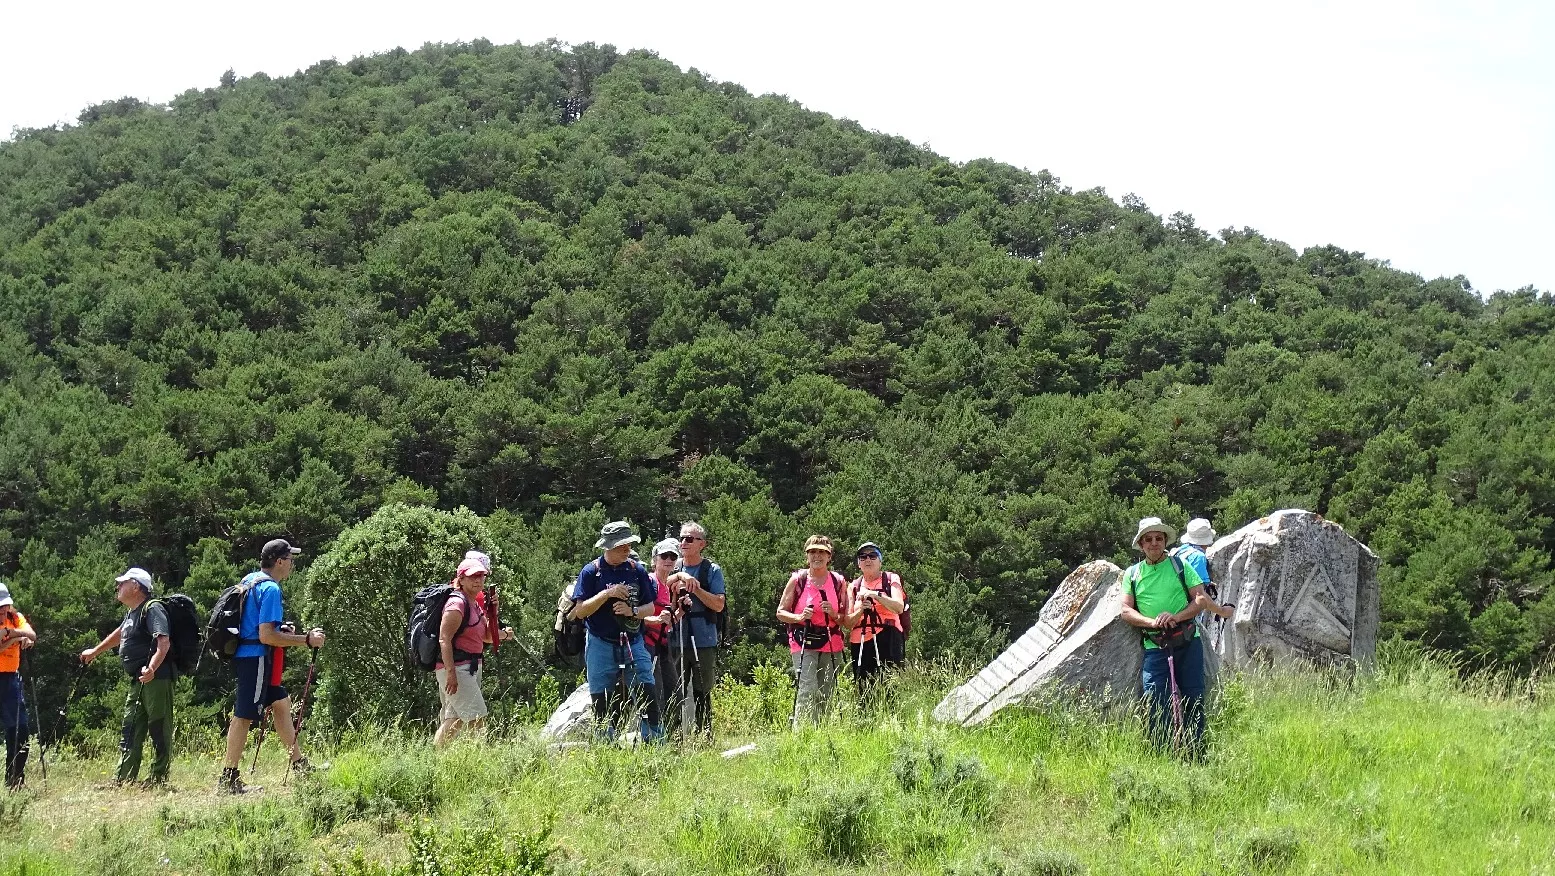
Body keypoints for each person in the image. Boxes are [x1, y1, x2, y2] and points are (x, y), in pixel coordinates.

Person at [218, 539, 326, 794]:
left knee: (281, 702)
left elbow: (257, 625)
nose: (292, 565)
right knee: (244, 716)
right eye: (290, 560)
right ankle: (228, 779)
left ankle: (300, 765)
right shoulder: (271, 590)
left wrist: (282, 630)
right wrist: (306, 640)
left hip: (249, 656)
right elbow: (266, 636)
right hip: (255, 659)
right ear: (279, 561)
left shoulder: (250, 580)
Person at [1118, 517, 1233, 757]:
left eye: (1158, 538)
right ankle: (1161, 754)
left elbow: (1199, 599)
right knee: (1155, 699)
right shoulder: (1132, 574)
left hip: (1187, 642)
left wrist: (1176, 617)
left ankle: (1196, 753)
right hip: (1155, 644)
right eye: (1148, 539)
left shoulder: (1180, 566)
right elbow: (1126, 610)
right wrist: (1153, 622)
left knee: (1193, 696)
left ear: (1165, 541)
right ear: (1141, 544)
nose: (1154, 543)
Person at [568, 521, 663, 744]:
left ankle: (655, 744)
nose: (627, 549)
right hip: (600, 643)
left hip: (633, 641)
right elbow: (580, 611)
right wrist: (607, 594)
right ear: (608, 547)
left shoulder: (635, 570)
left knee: (646, 693)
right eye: (622, 545)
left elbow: (650, 608)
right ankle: (606, 748)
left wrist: (632, 611)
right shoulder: (591, 572)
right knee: (601, 699)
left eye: (628, 545)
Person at [80, 567, 175, 786]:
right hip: (138, 680)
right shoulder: (133, 613)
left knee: (158, 727)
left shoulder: (153, 609)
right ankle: (124, 778)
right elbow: (119, 634)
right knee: (130, 726)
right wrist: (95, 651)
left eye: (122, 583)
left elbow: (164, 642)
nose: (118, 586)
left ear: (135, 586)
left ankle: (158, 778)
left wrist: (151, 668)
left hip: (156, 678)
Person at [434, 558, 513, 747]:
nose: (478, 580)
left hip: (469, 668)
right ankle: (474, 760)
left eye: (481, 576)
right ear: (461, 579)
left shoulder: (474, 604)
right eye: (472, 576)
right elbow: (444, 639)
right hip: (458, 669)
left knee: (455, 719)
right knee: (477, 717)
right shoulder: (456, 604)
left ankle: (437, 758)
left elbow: (485, 636)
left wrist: (495, 612)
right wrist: (451, 673)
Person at [776, 535, 847, 728]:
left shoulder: (838, 581)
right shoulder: (798, 579)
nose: (817, 556)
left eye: (822, 552)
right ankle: (802, 733)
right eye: (813, 552)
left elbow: (845, 618)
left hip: (830, 640)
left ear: (829, 556)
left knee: (826, 690)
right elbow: (781, 612)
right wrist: (799, 617)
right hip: (802, 639)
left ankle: (823, 732)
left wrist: (832, 613)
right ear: (807, 555)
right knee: (807, 687)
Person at [671, 521, 725, 739]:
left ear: (702, 544)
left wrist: (697, 589)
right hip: (677, 638)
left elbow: (719, 604)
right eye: (682, 538)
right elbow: (661, 588)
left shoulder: (711, 570)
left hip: (704, 638)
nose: (684, 542)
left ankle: (704, 736)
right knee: (676, 690)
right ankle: (674, 736)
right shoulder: (674, 567)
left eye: (689, 539)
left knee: (703, 689)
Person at [842, 541, 906, 703]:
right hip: (860, 639)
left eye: (872, 555)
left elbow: (898, 607)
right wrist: (861, 609)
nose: (867, 559)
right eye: (862, 557)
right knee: (863, 686)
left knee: (890, 684)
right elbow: (848, 622)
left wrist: (875, 595)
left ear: (880, 560)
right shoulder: (853, 586)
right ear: (858, 563)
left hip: (888, 634)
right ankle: (867, 721)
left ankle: (891, 719)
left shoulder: (890, 579)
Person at [642, 538, 685, 734]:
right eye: (664, 556)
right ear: (654, 560)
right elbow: (637, 618)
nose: (668, 560)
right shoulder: (650, 583)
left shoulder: (667, 588)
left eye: (673, 556)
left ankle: (668, 735)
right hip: (647, 646)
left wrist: (681, 612)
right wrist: (657, 619)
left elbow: (666, 622)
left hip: (662, 645)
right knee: (656, 693)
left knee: (674, 692)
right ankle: (652, 737)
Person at [0, 583, 37, 790]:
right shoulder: (14, 624)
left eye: (5, 605)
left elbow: (31, 635)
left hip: (10, 679)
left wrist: (9, 633)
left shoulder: (15, 617)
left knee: (20, 729)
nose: (3, 610)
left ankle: (15, 780)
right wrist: (15, 636)